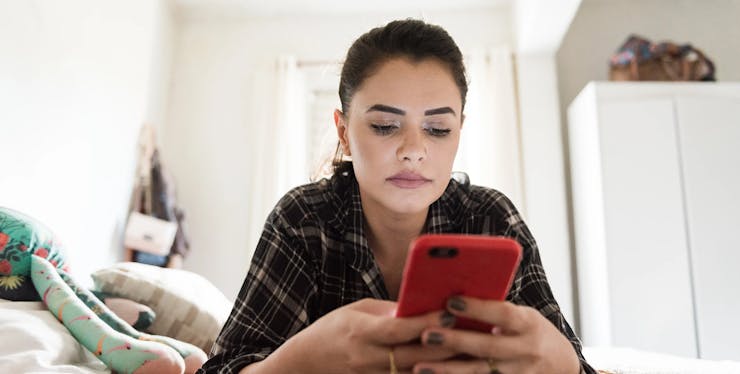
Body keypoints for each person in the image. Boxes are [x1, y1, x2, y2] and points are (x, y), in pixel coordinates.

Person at [199, 19, 596, 374]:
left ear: (460, 131)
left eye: (438, 128)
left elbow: (576, 367)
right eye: (386, 126)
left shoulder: (492, 219)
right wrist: (299, 362)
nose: (413, 149)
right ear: (343, 133)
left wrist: (562, 364)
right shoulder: (303, 220)